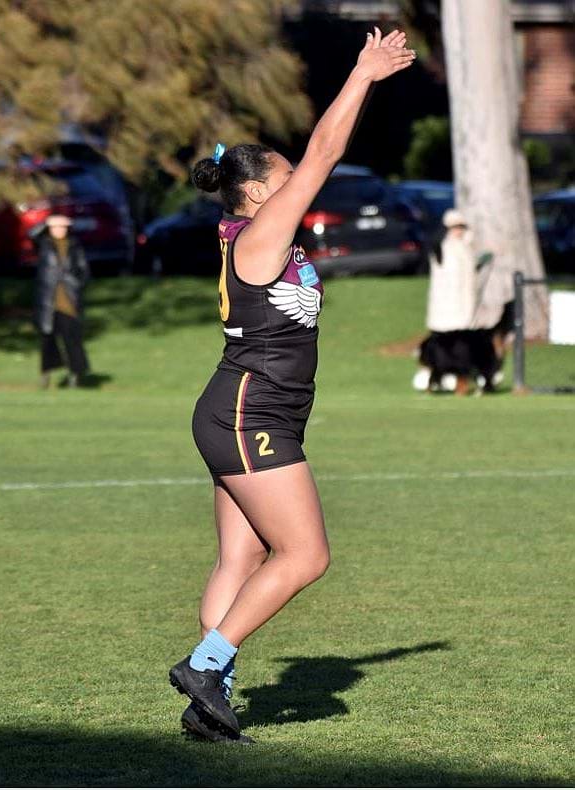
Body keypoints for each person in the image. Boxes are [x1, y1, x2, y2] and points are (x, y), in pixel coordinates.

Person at [173, 29, 415, 743]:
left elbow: (311, 166)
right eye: (283, 178)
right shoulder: (259, 231)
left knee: (241, 559)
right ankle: (206, 666)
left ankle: (208, 705)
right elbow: (326, 153)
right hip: (252, 413)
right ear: (255, 192)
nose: (298, 184)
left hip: (240, 408)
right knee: (307, 555)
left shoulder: (256, 234)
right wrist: (364, 74)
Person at [415, 209, 501, 395]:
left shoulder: (463, 248)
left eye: (461, 227)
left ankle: (462, 380)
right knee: (444, 347)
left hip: (463, 308)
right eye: (455, 227)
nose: (459, 231)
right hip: (447, 307)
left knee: (464, 347)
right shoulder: (443, 248)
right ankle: (439, 378)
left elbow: (468, 274)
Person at [32, 214, 91, 388]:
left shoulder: (74, 246)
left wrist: (76, 284)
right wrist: (45, 223)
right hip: (48, 302)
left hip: (69, 300)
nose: (59, 230)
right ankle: (46, 374)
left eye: (63, 226)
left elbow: (84, 271)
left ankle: (75, 375)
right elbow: (31, 234)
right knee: (47, 340)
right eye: (55, 227)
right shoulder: (44, 244)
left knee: (71, 340)